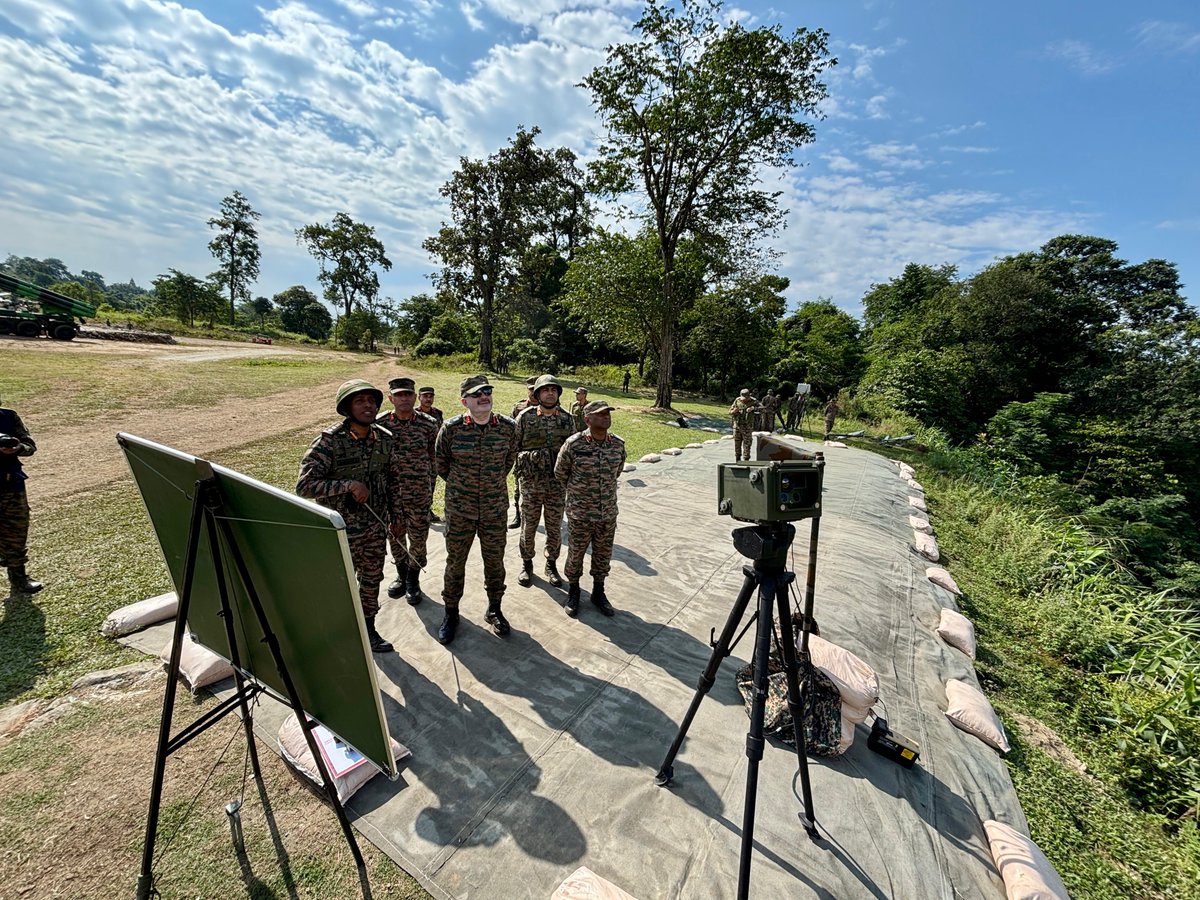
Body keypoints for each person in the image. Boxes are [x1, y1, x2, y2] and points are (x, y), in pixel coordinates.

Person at [296, 380, 403, 653]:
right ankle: (333, 632)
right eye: (360, 401)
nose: (368, 406)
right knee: (338, 583)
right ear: (346, 408)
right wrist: (348, 485)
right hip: (340, 530)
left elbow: (393, 481)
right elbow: (305, 486)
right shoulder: (329, 442)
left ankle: (368, 629)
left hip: (374, 527)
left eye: (371, 400)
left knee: (372, 579)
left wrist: (396, 516)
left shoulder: (385, 439)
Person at [434, 374, 519, 645]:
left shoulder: (508, 427)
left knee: (495, 562)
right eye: (476, 393)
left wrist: (489, 484)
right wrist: (464, 487)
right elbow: (442, 463)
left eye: (487, 391)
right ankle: (451, 613)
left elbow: (509, 460)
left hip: (494, 509)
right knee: (455, 562)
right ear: (465, 401)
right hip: (461, 510)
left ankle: (495, 609)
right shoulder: (451, 428)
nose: (484, 396)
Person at [555, 400, 626, 617]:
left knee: (603, 554)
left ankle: (598, 591)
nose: (606, 417)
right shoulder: (574, 444)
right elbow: (560, 473)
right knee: (575, 554)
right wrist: (579, 495)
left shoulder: (617, 444)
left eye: (607, 413)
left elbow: (618, 471)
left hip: (607, 513)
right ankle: (574, 591)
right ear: (587, 419)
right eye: (600, 414)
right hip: (580, 513)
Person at [377, 377, 438, 606]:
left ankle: (414, 578)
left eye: (408, 394)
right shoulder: (380, 425)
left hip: (419, 494)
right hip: (390, 496)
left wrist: (430, 488)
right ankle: (402, 575)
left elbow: (434, 459)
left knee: (419, 539)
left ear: (414, 397)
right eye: (399, 395)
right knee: (395, 536)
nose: (404, 399)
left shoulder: (429, 424)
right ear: (391, 398)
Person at [514, 374, 577, 590]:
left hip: (556, 486)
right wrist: (530, 458)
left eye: (554, 390)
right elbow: (514, 447)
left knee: (554, 527)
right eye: (545, 390)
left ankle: (551, 565)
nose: (550, 393)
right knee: (528, 526)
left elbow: (574, 452)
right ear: (538, 393)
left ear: (558, 393)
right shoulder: (525, 417)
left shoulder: (567, 420)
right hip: (531, 483)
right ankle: (527, 563)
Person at [0, 398, 41, 595]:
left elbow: (29, 445)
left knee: (17, 531)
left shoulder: (9, 416)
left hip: (11, 486)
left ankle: (18, 579)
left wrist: (18, 448)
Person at [509, 375, 538, 529]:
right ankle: (518, 515)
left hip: (542, 456)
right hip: (522, 456)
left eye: (536, 389)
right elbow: (511, 431)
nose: (533, 393)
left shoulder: (548, 407)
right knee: (518, 486)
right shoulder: (519, 407)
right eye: (531, 389)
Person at [417, 386, 444, 522]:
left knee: (431, 485)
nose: (428, 399)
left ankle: (428, 511)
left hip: (433, 457)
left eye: (430, 396)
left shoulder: (437, 413)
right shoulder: (414, 414)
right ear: (419, 397)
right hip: (419, 457)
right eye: (425, 396)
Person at [729, 389, 757, 462]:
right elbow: (730, 411)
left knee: (747, 443)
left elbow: (763, 408)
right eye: (743, 398)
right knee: (737, 443)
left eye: (746, 398)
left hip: (747, 427)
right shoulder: (737, 400)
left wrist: (753, 408)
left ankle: (746, 459)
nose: (744, 400)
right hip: (737, 426)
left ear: (749, 396)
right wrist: (733, 411)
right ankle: (737, 458)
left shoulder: (754, 401)